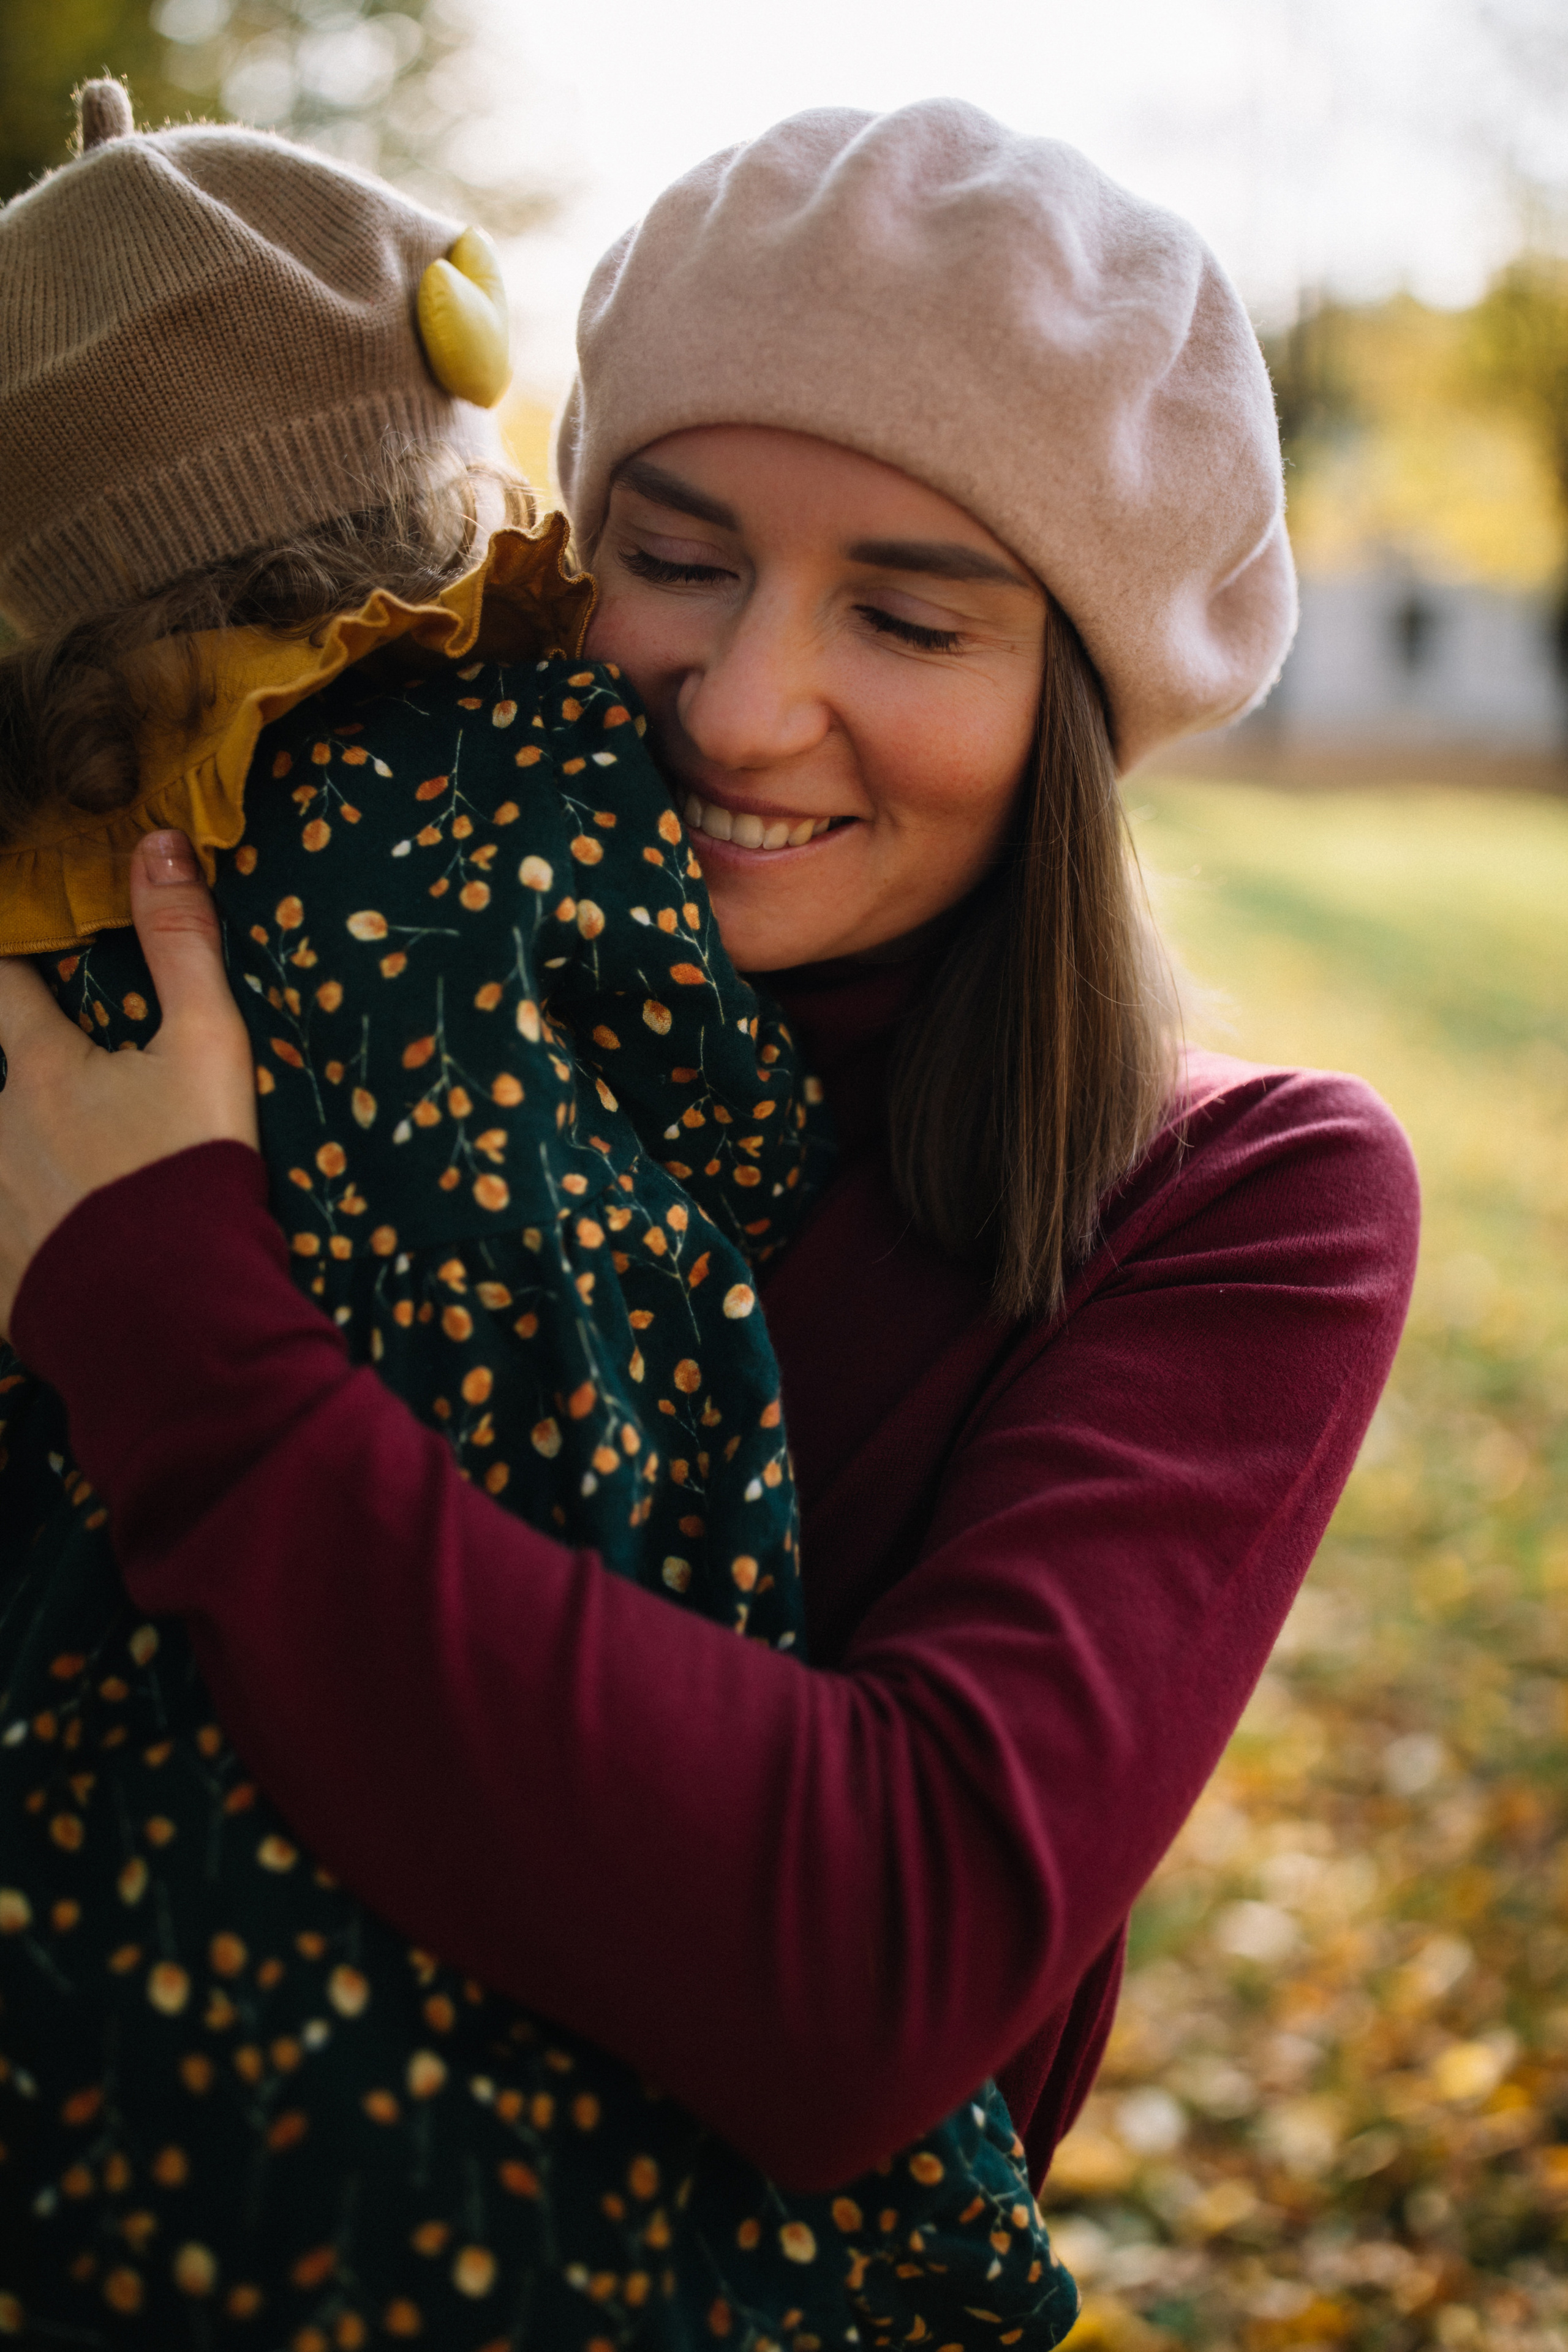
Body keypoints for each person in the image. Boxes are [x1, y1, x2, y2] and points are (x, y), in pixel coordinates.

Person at [0, 96, 1420, 2350]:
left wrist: (174, 1316)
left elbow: (872, 1969)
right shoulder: (238, 994)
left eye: (910, 613)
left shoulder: (1240, 1203)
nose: (747, 708)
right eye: (677, 559)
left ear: (1081, 696)